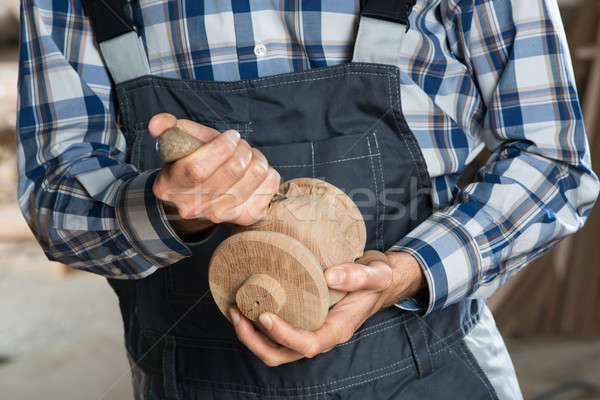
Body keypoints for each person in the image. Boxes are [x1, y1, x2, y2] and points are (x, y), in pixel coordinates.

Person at [17, 0, 598, 398]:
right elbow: (53, 194)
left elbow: (554, 163)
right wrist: (166, 209)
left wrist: (406, 272)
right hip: (191, 379)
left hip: (426, 374)